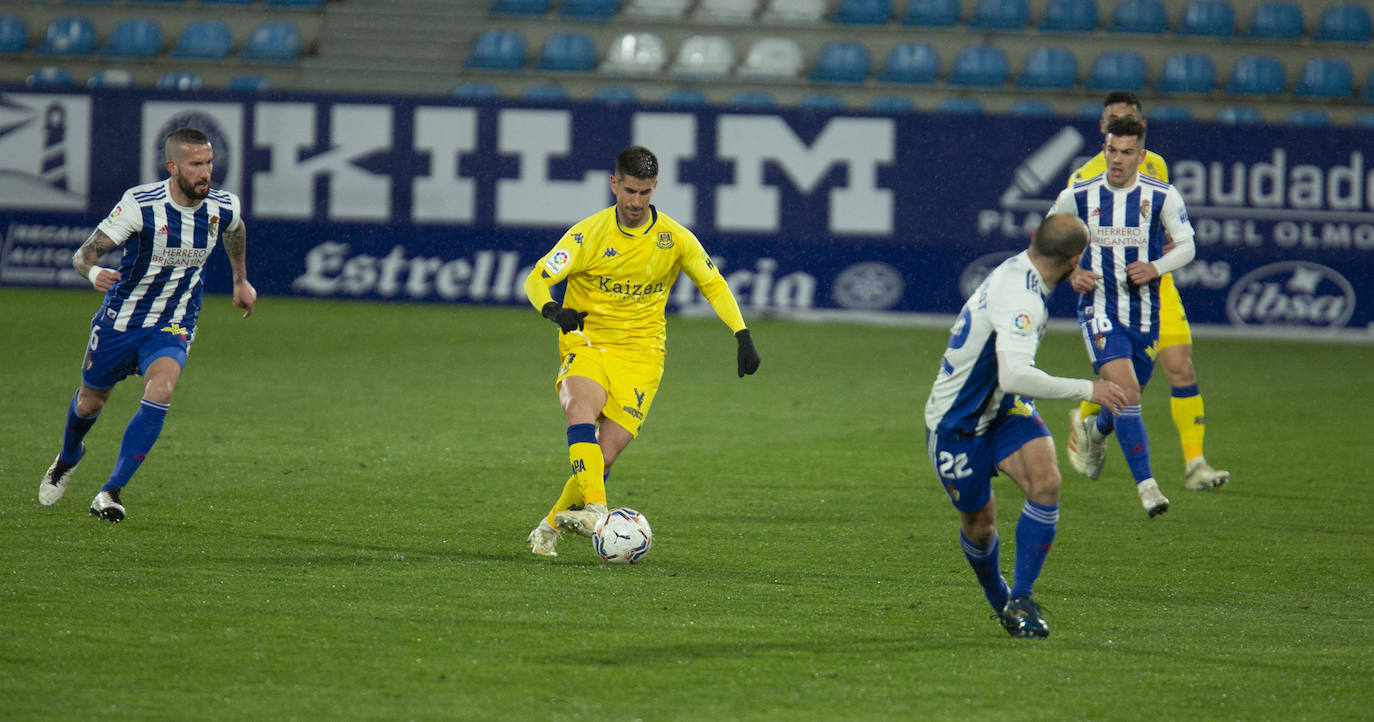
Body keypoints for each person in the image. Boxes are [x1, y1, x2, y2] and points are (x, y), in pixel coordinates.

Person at [523, 145, 760, 557]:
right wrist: (551, 309)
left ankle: (548, 527)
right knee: (579, 408)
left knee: (605, 455)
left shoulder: (673, 238)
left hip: (643, 356)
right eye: (629, 190)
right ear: (614, 184)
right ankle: (598, 509)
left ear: (655, 189)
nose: (636, 202)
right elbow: (538, 277)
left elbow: (714, 284)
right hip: (589, 342)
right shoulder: (587, 235)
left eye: (645, 192)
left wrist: (741, 333)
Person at [38, 127, 256, 522]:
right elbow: (84, 255)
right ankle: (69, 455)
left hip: (173, 322)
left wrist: (240, 280)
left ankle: (111, 490)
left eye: (208, 163)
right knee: (90, 401)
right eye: (195, 165)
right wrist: (92, 275)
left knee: (163, 389)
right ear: (172, 166)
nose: (205, 172)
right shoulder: (141, 205)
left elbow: (236, 229)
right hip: (122, 321)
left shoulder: (222, 206)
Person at [925, 214, 1127, 639]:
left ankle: (1022, 596)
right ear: (1075, 259)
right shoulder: (1024, 301)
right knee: (980, 526)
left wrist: (1072, 273)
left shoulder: (1020, 267)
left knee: (1047, 483)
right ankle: (999, 598)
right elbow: (1013, 375)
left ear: (1033, 238)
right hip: (957, 424)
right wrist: (1089, 387)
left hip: (1003, 410)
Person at [1063, 92, 1230, 492]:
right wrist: (1076, 270)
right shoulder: (1083, 178)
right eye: (1112, 119)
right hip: (1110, 295)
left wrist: (1163, 252)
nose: (1119, 123)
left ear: (1141, 129)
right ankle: (1092, 421)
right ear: (1103, 128)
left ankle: (1195, 464)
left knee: (1179, 368)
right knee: (1127, 382)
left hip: (1156, 290)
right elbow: (1069, 236)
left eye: (1128, 118)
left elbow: (1166, 226)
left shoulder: (1155, 166)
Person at [1048, 116, 1197, 518]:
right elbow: (1048, 239)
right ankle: (1148, 488)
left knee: (1125, 399)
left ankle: (1095, 433)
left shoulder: (1162, 195)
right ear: (1104, 149)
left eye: (1127, 152)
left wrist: (1156, 267)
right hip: (1097, 309)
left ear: (1141, 155)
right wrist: (1072, 272)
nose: (1117, 159)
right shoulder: (1077, 195)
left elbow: (1187, 246)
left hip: (1145, 316)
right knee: (1127, 390)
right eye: (1112, 150)